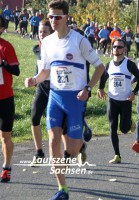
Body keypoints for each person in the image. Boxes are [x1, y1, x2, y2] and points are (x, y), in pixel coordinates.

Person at [24, 1, 105, 199]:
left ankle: (77, 149)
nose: (53, 20)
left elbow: (100, 67)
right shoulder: (48, 42)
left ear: (66, 17)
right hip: (55, 96)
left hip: (76, 98)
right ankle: (62, 190)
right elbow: (45, 71)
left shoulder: (79, 40)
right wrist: (35, 80)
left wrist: (88, 88)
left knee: (72, 149)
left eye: (57, 17)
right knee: (52, 140)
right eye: (51, 17)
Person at [98, 39, 139, 163]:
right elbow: (103, 77)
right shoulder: (109, 65)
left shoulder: (129, 64)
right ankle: (117, 155)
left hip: (125, 101)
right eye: (114, 46)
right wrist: (100, 89)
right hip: (112, 100)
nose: (116, 49)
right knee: (112, 128)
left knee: (124, 129)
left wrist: (134, 92)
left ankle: (129, 122)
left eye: (119, 47)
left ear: (124, 49)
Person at [30, 20, 54, 164]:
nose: (42, 34)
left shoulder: (57, 48)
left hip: (56, 88)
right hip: (42, 87)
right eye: (40, 32)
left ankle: (76, 147)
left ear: (51, 33)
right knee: (34, 117)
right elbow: (38, 68)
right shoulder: (37, 49)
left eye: (45, 32)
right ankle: (39, 152)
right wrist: (33, 79)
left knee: (58, 124)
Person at [0, 16, 20, 183]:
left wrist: (4, 64)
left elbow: (17, 71)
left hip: (5, 98)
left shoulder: (6, 47)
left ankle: (6, 167)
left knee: (5, 136)